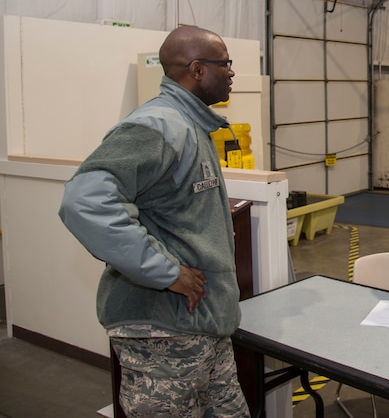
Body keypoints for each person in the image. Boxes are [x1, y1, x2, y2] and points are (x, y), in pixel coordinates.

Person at [59, 26, 249, 417]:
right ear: (197, 69)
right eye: (225, 64)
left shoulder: (193, 125)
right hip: (164, 334)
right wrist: (165, 271)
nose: (231, 72)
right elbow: (85, 200)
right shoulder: (158, 126)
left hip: (204, 324)